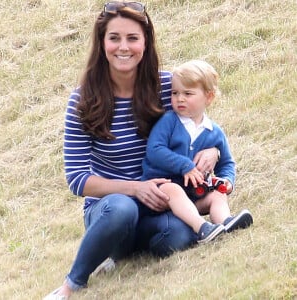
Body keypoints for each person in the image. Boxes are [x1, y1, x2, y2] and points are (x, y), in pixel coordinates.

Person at [43, 2, 222, 300]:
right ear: (102, 43)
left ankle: (121, 254)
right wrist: (135, 189)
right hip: (110, 208)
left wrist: (213, 151)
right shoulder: (82, 100)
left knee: (177, 237)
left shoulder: (168, 87)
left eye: (132, 38)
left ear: (146, 42)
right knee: (122, 209)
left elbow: (201, 125)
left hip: (159, 205)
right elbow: (76, 179)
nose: (123, 47)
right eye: (114, 38)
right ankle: (72, 284)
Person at [141, 59, 253, 244]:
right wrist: (184, 165)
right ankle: (202, 228)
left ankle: (225, 222)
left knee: (217, 195)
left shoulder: (214, 131)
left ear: (208, 97)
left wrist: (226, 181)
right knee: (174, 189)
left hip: (194, 196)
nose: (179, 99)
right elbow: (154, 150)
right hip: (163, 191)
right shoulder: (169, 121)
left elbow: (227, 163)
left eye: (188, 93)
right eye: (175, 93)